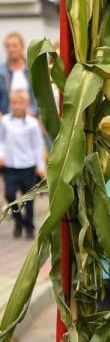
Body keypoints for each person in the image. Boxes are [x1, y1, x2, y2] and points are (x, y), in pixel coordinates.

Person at [0, 89, 46, 238]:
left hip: (28, 166)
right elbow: (1, 140)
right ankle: (18, 221)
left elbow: (38, 146)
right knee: (9, 194)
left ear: (26, 104)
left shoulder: (32, 124)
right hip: (11, 166)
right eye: (14, 103)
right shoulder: (5, 122)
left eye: (20, 103)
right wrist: (1, 155)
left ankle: (29, 226)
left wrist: (40, 166)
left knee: (29, 199)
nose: (16, 106)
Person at [0, 31, 37, 117]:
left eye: (14, 46)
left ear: (22, 46)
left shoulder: (33, 70)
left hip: (31, 119)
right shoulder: (1, 71)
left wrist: (35, 112)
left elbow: (40, 95)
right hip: (7, 120)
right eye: (8, 46)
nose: (11, 49)